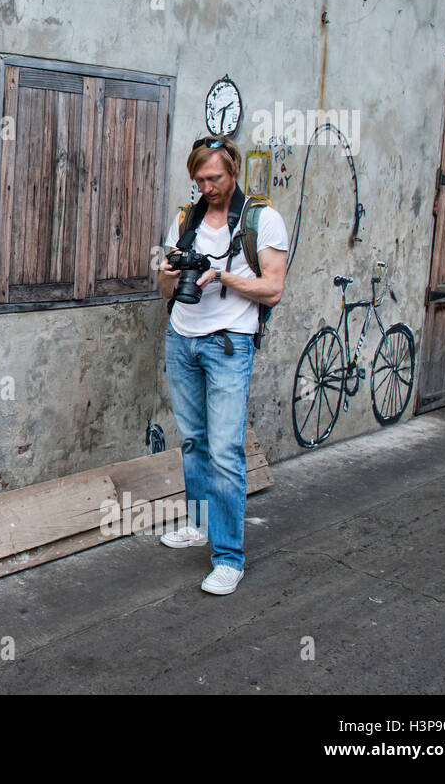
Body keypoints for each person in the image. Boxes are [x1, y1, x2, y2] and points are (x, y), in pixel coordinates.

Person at [157, 135, 287, 595]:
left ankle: (229, 557)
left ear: (233, 171)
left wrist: (222, 275)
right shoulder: (186, 218)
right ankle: (197, 524)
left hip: (229, 344)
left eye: (214, 178)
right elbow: (163, 288)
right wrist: (170, 275)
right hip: (182, 339)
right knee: (194, 441)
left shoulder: (262, 220)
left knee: (226, 451)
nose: (207, 186)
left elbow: (273, 290)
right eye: (199, 179)